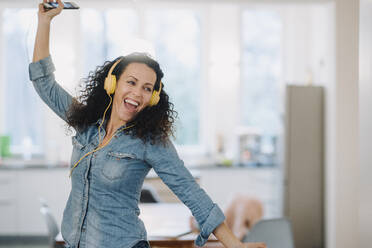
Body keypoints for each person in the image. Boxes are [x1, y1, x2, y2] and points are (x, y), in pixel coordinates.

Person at [30, 1, 267, 248]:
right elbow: (43, 82)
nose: (137, 93)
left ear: (153, 97)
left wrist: (235, 244)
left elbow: (190, 191)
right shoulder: (86, 122)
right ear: (113, 84)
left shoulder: (150, 140)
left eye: (147, 89)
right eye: (131, 82)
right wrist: (44, 22)